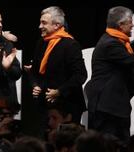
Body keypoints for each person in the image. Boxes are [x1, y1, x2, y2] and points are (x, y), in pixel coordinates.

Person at [30, 6, 87, 138]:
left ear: (57, 25)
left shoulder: (70, 45)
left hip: (67, 107)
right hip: (46, 106)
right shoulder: (41, 42)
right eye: (40, 22)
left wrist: (59, 91)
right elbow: (34, 72)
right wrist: (35, 85)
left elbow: (80, 75)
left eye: (44, 23)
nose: (39, 26)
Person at [85, 6, 134, 148]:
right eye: (130, 21)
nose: (132, 25)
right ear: (120, 25)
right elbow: (131, 60)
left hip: (112, 106)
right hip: (108, 109)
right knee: (110, 145)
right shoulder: (111, 44)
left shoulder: (116, 41)